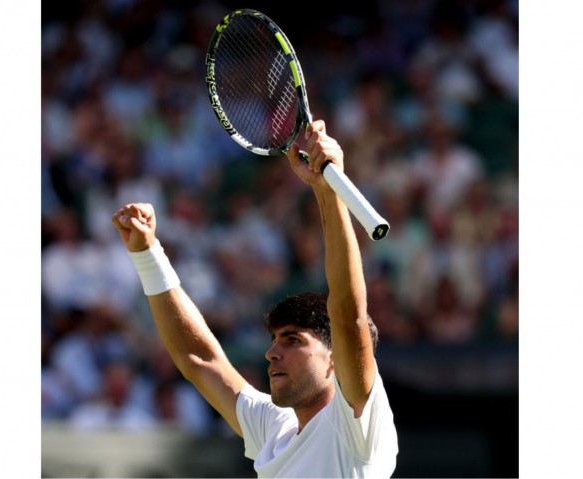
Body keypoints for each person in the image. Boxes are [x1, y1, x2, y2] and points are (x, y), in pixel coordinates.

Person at [111, 120, 399, 477]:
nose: (271, 352)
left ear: (335, 359)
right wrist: (147, 254)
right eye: (275, 339)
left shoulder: (358, 427)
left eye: (293, 340)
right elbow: (199, 359)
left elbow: (347, 313)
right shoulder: (273, 429)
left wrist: (328, 192)